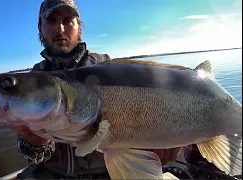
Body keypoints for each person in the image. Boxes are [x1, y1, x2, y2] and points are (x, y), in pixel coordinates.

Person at [16, 0, 181, 179]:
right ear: (40, 28)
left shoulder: (106, 66)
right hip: (52, 173)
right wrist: (35, 144)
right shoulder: (33, 79)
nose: (60, 29)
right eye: (51, 21)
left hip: (107, 171)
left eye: (67, 21)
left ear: (79, 26)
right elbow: (31, 156)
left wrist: (161, 138)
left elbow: (143, 114)